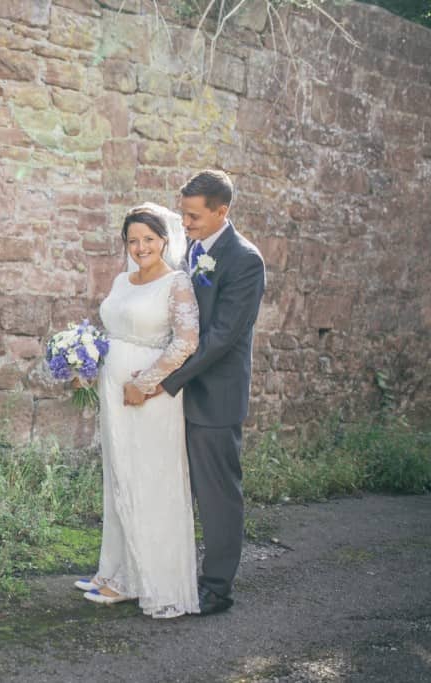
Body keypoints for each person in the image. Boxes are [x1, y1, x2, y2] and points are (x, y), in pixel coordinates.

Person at [75, 202, 201, 618]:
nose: (141, 247)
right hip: (114, 395)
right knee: (119, 479)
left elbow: (186, 342)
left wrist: (144, 385)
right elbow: (112, 331)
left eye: (148, 239)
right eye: (133, 240)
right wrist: (85, 363)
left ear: (164, 240)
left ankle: (140, 581)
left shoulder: (176, 283)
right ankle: (113, 570)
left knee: (147, 483)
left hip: (148, 399)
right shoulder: (121, 279)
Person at [149, 170, 266, 616]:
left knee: (217, 495)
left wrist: (165, 378)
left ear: (223, 211)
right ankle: (171, 574)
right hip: (178, 392)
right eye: (183, 213)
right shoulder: (192, 250)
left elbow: (221, 338)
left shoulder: (245, 260)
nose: (186, 223)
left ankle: (216, 586)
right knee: (175, 490)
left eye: (194, 216)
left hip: (214, 397)